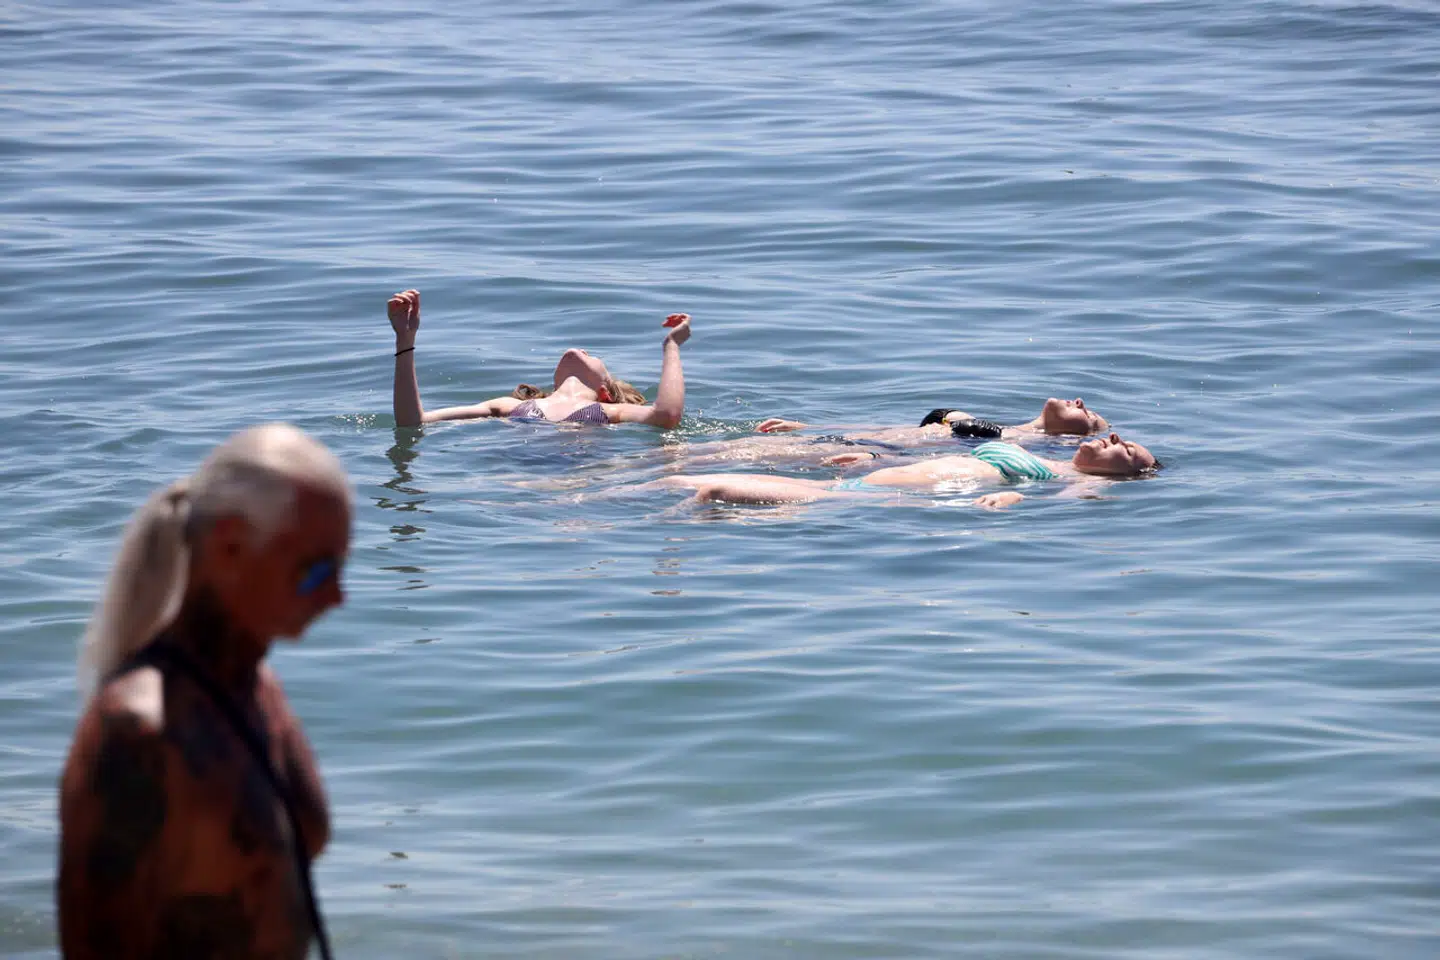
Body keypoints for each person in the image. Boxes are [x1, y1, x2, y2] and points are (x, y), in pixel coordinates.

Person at [57, 424, 350, 960]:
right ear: (231, 545)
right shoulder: (138, 732)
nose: (337, 596)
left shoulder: (256, 689)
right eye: (315, 571)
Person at [388, 288, 692, 429]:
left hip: (577, 483)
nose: (582, 350)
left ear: (605, 390)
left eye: (592, 355)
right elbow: (413, 421)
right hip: (521, 482)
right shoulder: (507, 406)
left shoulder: (611, 411)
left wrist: (672, 346)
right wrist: (405, 340)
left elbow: (666, 415)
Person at [652, 433, 1161, 507]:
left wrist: (1013, 498)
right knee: (676, 479)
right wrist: (877, 457)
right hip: (865, 481)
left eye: (1129, 452)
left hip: (867, 499)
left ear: (1128, 475)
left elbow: (1060, 509)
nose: (1115, 440)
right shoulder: (1045, 453)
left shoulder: (1080, 482)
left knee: (714, 492)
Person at [754, 395, 1109, 441]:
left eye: (1091, 415)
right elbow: (898, 430)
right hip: (854, 439)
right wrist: (809, 427)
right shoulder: (1008, 428)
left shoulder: (1027, 445)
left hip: (867, 453)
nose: (1080, 401)